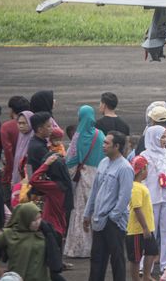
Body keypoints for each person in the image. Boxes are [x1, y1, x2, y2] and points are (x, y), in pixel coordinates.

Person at [84, 130, 134, 281]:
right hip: (99, 220)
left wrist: (113, 217)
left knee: (117, 259)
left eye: (107, 143)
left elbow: (124, 197)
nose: (103, 145)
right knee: (97, 258)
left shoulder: (125, 168)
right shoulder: (103, 163)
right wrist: (87, 213)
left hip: (114, 222)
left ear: (117, 146)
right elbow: (94, 191)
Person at [64, 104, 104, 258]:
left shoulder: (78, 137)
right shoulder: (100, 135)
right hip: (98, 175)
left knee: (81, 210)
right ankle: (97, 246)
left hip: (83, 175)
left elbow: (70, 160)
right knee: (96, 210)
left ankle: (79, 248)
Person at [141, 125, 166, 272]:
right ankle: (145, 264)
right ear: (153, 138)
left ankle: (165, 263)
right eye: (161, 137)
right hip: (151, 197)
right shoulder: (144, 155)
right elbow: (142, 177)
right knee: (150, 231)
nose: (164, 140)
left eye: (165, 136)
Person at [0, 202, 49, 280]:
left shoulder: (43, 233)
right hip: (17, 277)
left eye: (39, 218)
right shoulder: (9, 234)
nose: (38, 222)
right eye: (34, 220)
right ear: (25, 218)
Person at [127, 156, 158, 281]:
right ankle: (136, 278)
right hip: (137, 230)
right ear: (143, 169)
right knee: (135, 257)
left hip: (147, 228)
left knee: (151, 251)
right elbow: (137, 208)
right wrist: (145, 227)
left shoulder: (139, 186)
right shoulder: (135, 187)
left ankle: (146, 276)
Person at [0, 96, 29, 201]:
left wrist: (8, 175)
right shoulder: (31, 123)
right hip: (29, 172)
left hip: (13, 173)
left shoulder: (6, 127)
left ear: (12, 110)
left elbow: (8, 153)